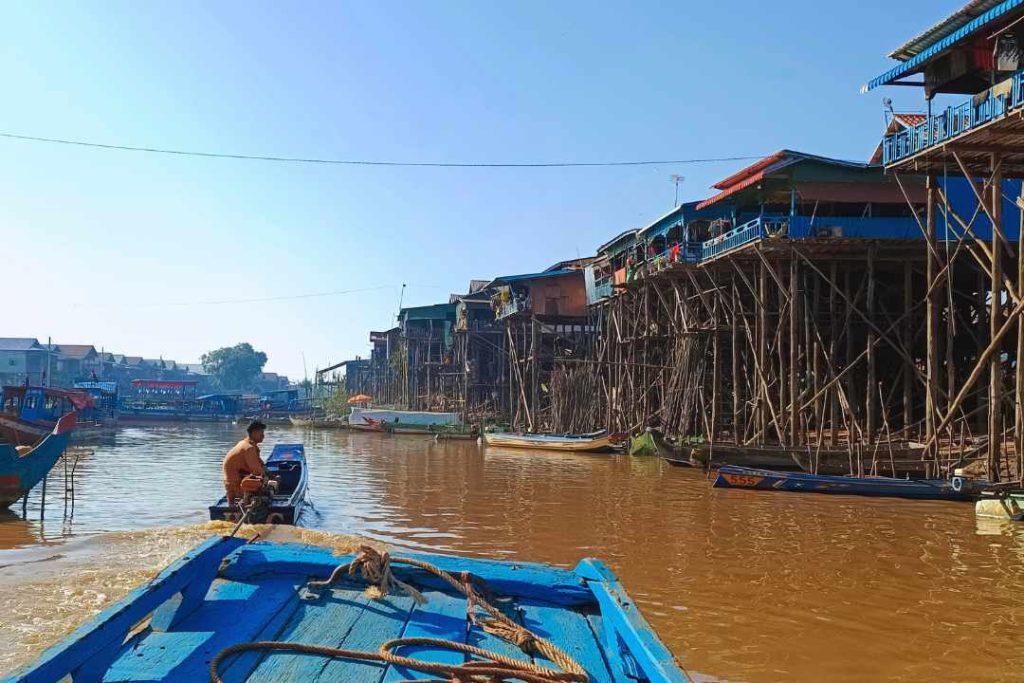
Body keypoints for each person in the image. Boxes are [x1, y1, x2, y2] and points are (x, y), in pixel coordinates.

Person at [223, 420, 266, 506]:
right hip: (236, 487)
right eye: (261, 433)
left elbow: (259, 463)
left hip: (231, 486)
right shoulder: (249, 448)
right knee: (266, 482)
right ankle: (248, 501)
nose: (263, 436)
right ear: (254, 433)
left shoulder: (245, 443)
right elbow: (257, 471)